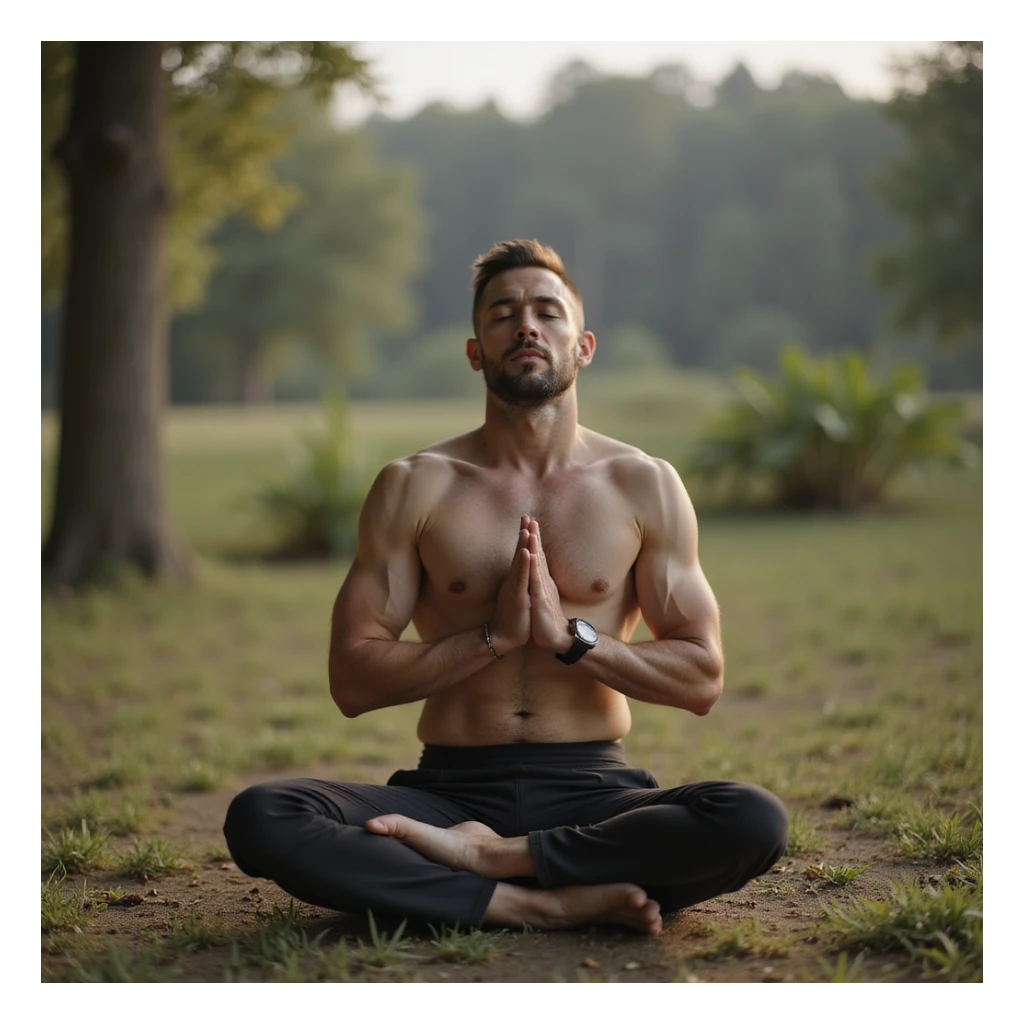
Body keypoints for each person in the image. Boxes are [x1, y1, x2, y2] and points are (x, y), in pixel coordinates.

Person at [223, 239, 788, 936]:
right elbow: (353, 680)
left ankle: (490, 863)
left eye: (547, 312)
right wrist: (491, 640)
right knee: (264, 816)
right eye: (503, 314)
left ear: (582, 347)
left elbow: (700, 678)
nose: (526, 326)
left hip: (596, 792)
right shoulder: (415, 486)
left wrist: (571, 640)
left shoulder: (645, 485)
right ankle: (532, 898)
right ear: (474, 351)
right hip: (449, 791)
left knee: (751, 818)